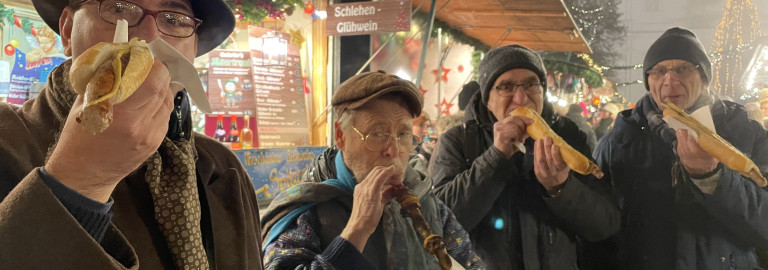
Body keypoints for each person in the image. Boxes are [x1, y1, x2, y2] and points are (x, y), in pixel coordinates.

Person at [0, 0, 263, 269]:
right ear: (68, 30)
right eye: (119, 8)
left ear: (193, 50)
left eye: (173, 19)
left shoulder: (224, 169)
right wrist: (82, 178)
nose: (149, 36)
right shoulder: (7, 140)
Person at [260, 71, 484, 269]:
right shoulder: (307, 210)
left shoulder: (424, 199)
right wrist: (356, 230)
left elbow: (469, 263)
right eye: (377, 133)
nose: (393, 150)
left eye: (403, 134)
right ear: (340, 136)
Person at [430, 44, 619, 269]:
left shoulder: (568, 136)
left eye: (531, 84)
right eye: (506, 87)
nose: (521, 98)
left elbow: (605, 226)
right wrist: (495, 159)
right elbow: (438, 226)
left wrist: (561, 188)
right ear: (487, 99)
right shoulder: (458, 141)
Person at [593, 27, 768, 269]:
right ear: (648, 81)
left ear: (705, 77)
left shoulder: (747, 133)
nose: (670, 80)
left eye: (683, 69)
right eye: (659, 71)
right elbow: (600, 228)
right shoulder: (619, 139)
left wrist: (712, 178)